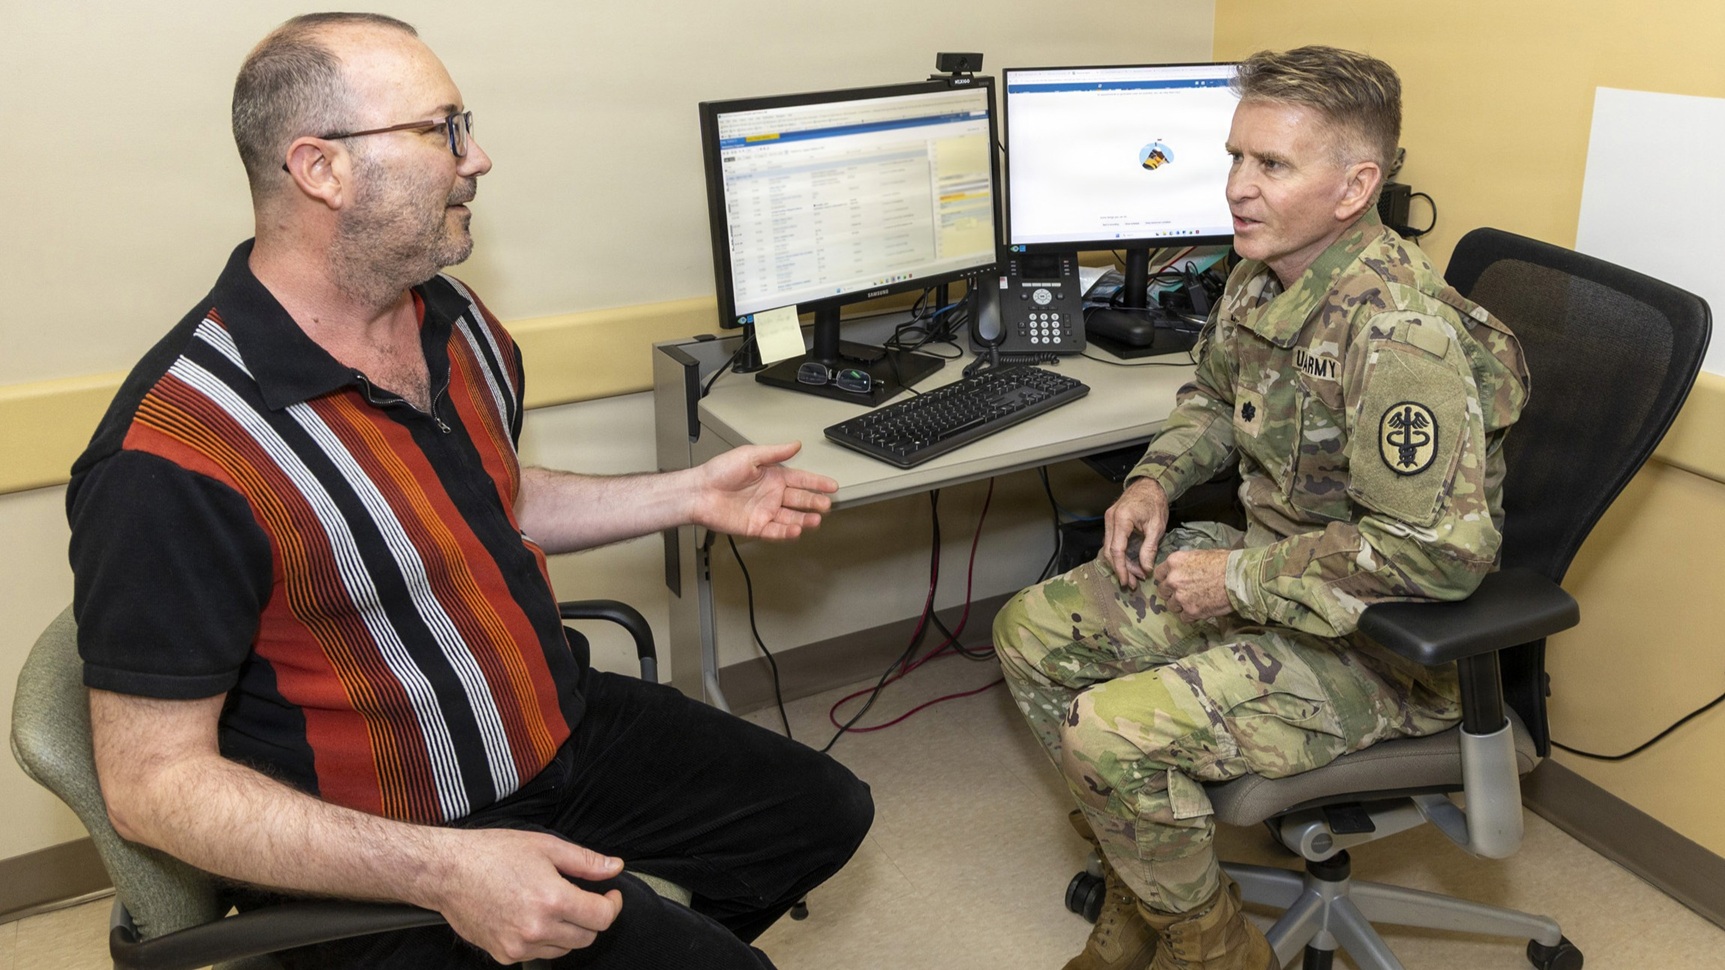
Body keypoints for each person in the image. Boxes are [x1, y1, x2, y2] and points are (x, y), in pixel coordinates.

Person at [67, 13, 872, 969]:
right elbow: (153, 787)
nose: (476, 157)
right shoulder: (173, 455)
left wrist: (690, 492)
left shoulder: (451, 322)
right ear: (320, 168)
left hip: (552, 724)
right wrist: (445, 872)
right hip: (386, 837)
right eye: (439, 128)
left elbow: (488, 498)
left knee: (820, 813)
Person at [993, 46, 1529, 970]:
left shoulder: (1399, 335)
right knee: (1031, 631)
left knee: (1110, 733)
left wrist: (1236, 576)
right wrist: (1152, 480)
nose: (1237, 187)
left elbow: (1439, 556)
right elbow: (1211, 398)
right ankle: (1154, 897)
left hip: (1378, 646)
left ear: (1354, 185)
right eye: (1236, 157)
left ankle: (1214, 953)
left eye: (1270, 165)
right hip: (1277, 581)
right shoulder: (1263, 269)